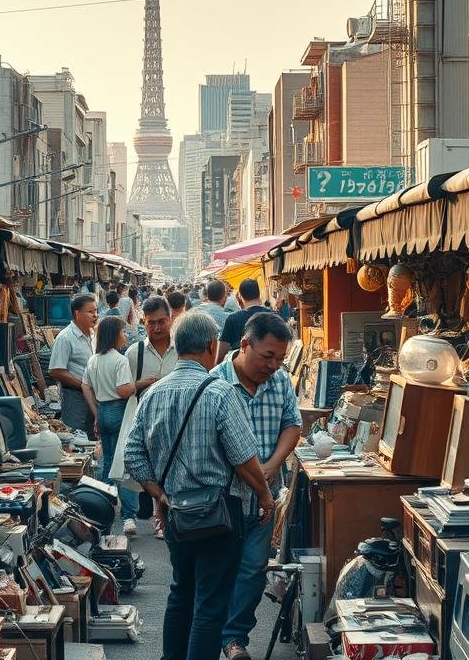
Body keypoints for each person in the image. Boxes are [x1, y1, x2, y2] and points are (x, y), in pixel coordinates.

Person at [125, 313, 274, 660]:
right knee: (210, 604)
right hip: (219, 516)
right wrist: (265, 497)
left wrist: (159, 495)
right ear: (211, 345)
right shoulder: (219, 392)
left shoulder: (154, 392)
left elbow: (132, 454)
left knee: (181, 594)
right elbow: (244, 457)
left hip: (178, 515)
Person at [210, 313, 300, 660]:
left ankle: (234, 639)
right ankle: (211, 633)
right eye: (268, 357)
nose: (275, 365)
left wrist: (273, 464)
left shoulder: (280, 382)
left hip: (264, 500)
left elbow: (292, 424)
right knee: (221, 570)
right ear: (245, 344)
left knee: (252, 570)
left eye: (280, 358)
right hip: (224, 498)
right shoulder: (216, 383)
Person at [125, 296, 181, 538]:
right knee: (147, 472)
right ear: (143, 322)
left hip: (178, 420)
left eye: (162, 321)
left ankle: (166, 518)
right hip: (145, 423)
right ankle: (152, 515)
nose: (157, 327)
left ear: (171, 319)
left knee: (170, 472)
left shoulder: (182, 350)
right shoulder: (133, 353)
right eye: (151, 323)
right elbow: (125, 389)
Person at [82, 316, 139, 535]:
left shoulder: (94, 359)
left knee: (107, 464)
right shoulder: (119, 360)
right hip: (118, 411)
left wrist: (96, 411)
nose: (125, 336)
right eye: (123, 333)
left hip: (104, 411)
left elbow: (85, 386)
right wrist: (141, 384)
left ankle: (102, 510)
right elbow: (124, 390)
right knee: (123, 466)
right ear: (114, 335)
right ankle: (128, 517)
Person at [48, 294, 98, 434]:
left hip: (92, 396)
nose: (95, 315)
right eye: (90, 312)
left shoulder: (92, 334)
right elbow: (55, 370)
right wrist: (82, 385)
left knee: (91, 436)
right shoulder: (65, 337)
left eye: (96, 311)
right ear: (77, 313)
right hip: (75, 397)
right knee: (77, 435)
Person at [217, 278, 271, 363]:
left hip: (240, 371)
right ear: (259, 294)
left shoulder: (233, 319)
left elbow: (221, 352)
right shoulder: (273, 316)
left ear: (241, 297)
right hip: (268, 367)